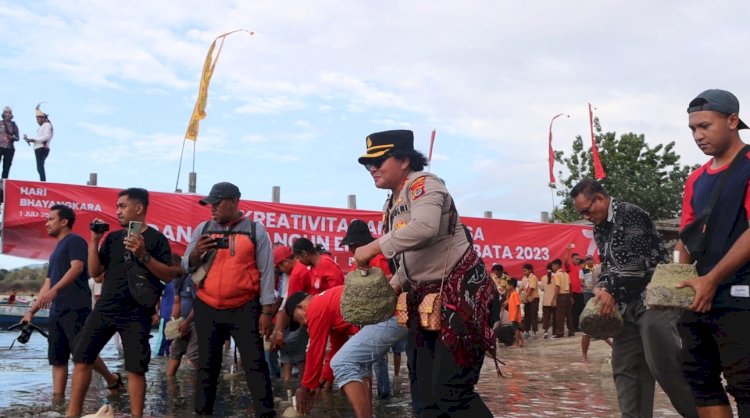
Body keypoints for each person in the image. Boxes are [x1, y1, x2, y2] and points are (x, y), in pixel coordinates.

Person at [352, 129, 497, 417]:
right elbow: (412, 262)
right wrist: (390, 286)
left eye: (379, 161)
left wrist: (373, 247)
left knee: (452, 393)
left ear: (404, 160)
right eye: (369, 163)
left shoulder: (425, 185)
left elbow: (425, 228)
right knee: (423, 397)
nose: (372, 169)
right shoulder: (391, 204)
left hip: (461, 299)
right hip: (425, 303)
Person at [571, 179, 697, 418]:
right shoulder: (599, 227)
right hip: (625, 304)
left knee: (665, 367)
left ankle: (701, 413)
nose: (586, 217)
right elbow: (609, 265)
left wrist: (610, 290)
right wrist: (604, 286)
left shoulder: (630, 214)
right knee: (625, 369)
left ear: (599, 198)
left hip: (652, 300)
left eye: (587, 210)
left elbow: (636, 265)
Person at [67, 188, 174, 418]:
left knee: (136, 368)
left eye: (122, 206)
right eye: (117, 207)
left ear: (139, 208)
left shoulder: (156, 239)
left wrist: (143, 254)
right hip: (106, 306)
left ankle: (137, 416)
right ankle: (71, 414)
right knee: (82, 356)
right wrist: (94, 241)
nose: (118, 211)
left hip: (137, 311)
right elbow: (96, 272)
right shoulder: (113, 238)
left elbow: (168, 275)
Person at [676, 89, 750, 417]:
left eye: (705, 126)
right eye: (693, 129)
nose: (698, 135)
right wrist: (676, 281)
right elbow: (685, 240)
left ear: (732, 120)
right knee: (698, 378)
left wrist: (712, 279)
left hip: (741, 294)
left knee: (745, 383)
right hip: (699, 295)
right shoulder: (695, 179)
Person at [182, 182, 276, 417]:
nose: (212, 208)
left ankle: (266, 413)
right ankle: (202, 413)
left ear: (234, 202)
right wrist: (196, 253)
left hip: (244, 307)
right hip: (207, 306)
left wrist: (266, 312)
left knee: (255, 364)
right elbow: (185, 265)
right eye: (210, 203)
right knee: (207, 365)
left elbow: (267, 272)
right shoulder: (202, 229)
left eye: (217, 203)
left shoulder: (256, 231)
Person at [22, 205, 121, 401]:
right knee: (57, 359)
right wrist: (31, 311)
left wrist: (55, 290)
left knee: (82, 353)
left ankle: (111, 379)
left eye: (51, 219)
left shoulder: (75, 241)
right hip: (56, 311)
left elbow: (77, 268)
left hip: (76, 308)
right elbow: (47, 282)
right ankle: (57, 401)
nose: (47, 223)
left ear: (64, 221)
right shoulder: (55, 250)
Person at [285, 288, 359, 415]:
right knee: (347, 362)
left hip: (381, 320)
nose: (302, 324)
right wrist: (319, 383)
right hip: (381, 319)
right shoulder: (325, 306)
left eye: (298, 320)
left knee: (352, 368)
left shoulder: (314, 308)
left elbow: (315, 350)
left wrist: (305, 387)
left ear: (301, 307)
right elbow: (337, 349)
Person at [270, 245, 308, 383]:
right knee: (286, 348)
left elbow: (289, 305)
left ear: (286, 262)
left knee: (296, 350)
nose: (279, 271)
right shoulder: (289, 273)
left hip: (301, 317)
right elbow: (283, 301)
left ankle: (304, 385)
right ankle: (287, 383)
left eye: (279, 267)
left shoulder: (298, 273)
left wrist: (278, 331)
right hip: (292, 316)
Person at [166, 255, 198, 376]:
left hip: (196, 322)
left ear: (176, 266)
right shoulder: (177, 280)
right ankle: (170, 382)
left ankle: (207, 380)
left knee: (193, 354)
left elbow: (198, 304)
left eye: (169, 270)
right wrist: (173, 322)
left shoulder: (193, 278)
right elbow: (176, 301)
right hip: (183, 321)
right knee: (174, 350)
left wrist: (187, 322)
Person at [23, 104, 53, 182]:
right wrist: (29, 139)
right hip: (39, 148)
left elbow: (46, 137)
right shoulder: (43, 126)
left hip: (41, 148)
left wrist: (34, 140)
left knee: (40, 167)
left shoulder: (47, 125)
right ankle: (42, 181)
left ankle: (43, 182)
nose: (37, 121)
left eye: (38, 119)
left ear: (43, 118)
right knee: (39, 167)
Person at [551, 259, 574, 338]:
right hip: (567, 295)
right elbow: (570, 286)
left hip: (561, 296)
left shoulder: (557, 274)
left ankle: (560, 333)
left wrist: (554, 298)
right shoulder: (566, 274)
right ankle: (571, 331)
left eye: (553, 265)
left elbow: (557, 286)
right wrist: (571, 297)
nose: (552, 267)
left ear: (557, 265)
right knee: (569, 315)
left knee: (560, 316)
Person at [565, 248, 585, 332]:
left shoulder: (579, 268)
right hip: (572, 292)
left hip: (580, 291)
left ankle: (578, 326)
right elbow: (565, 261)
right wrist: (567, 250)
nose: (577, 260)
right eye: (576, 259)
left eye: (578, 259)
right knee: (574, 310)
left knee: (581, 309)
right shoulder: (570, 266)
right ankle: (574, 327)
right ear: (572, 259)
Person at [520, 263, 540, 338]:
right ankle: (526, 331)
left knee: (533, 315)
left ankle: (534, 332)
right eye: (523, 271)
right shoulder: (524, 278)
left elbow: (531, 289)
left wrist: (525, 297)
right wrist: (519, 295)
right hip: (527, 300)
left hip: (534, 298)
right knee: (526, 315)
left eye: (525, 270)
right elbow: (521, 287)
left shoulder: (533, 277)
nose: (524, 272)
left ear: (530, 270)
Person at [0, 106, 19, 179]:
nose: (7, 114)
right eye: (6, 112)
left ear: (11, 115)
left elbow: (17, 138)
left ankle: (3, 184)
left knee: (6, 167)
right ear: (3, 114)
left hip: (9, 148)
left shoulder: (14, 125)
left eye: (9, 113)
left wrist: (12, 137)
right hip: (0, 146)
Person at [505, 278, 524, 348]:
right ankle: (522, 341)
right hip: (513, 315)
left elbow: (517, 304)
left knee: (516, 330)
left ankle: (516, 343)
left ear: (512, 285)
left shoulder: (515, 294)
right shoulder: (512, 294)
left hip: (514, 315)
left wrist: (515, 315)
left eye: (508, 285)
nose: (507, 286)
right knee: (516, 329)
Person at [540, 263, 556, 339]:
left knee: (546, 317)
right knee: (555, 317)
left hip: (546, 300)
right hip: (555, 300)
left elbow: (542, 288)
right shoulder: (556, 277)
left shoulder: (543, 277)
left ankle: (546, 332)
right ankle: (554, 332)